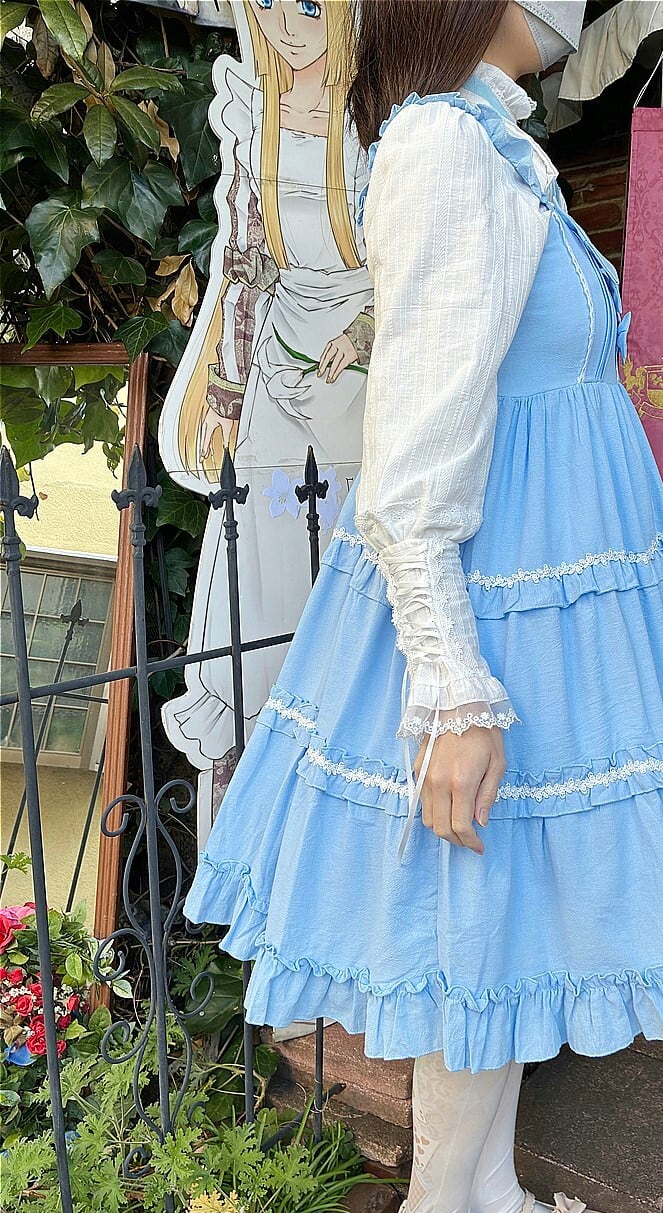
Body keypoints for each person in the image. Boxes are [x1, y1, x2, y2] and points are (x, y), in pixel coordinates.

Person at [183, 3, 663, 1213]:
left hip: (549, 592)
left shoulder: (490, 142)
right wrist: (454, 686)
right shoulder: (442, 146)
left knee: (504, 903)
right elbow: (415, 444)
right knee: (473, 897)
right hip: (496, 598)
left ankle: (480, 1190)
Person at [158, 0, 374, 841]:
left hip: (362, 366)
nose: (288, 24)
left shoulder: (385, 120)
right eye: (271, 1)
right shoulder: (256, 109)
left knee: (349, 563)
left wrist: (363, 332)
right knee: (259, 555)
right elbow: (242, 264)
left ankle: (342, 797)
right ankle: (258, 809)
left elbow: (413, 259)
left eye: (312, 4)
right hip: (277, 360)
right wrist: (224, 386)